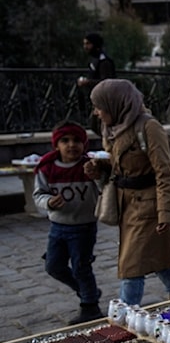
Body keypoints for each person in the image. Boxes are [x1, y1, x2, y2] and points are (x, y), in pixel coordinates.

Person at [83, 80, 170, 306]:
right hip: (128, 205)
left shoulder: (148, 127)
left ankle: (126, 315)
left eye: (99, 106)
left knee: (132, 265)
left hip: (149, 207)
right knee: (157, 258)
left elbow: (165, 173)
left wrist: (166, 213)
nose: (97, 112)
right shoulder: (115, 128)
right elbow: (122, 163)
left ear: (116, 103)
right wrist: (101, 167)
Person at [33, 121, 103, 324]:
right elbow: (38, 195)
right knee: (53, 266)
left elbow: (103, 188)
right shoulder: (47, 168)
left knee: (82, 266)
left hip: (84, 226)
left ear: (84, 144)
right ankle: (86, 290)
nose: (71, 145)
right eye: (65, 141)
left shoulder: (88, 166)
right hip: (58, 226)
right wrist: (49, 202)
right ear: (56, 145)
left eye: (76, 141)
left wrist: (97, 175)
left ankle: (90, 307)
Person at [78, 33, 116, 134]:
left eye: (88, 44)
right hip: (98, 98)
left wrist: (87, 82)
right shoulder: (96, 60)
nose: (85, 47)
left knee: (99, 125)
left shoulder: (104, 61)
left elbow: (106, 81)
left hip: (105, 99)